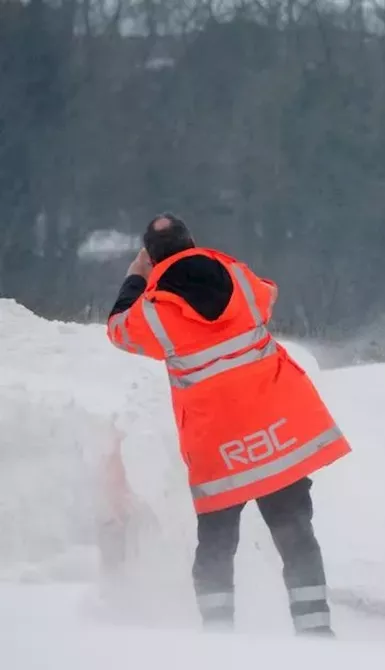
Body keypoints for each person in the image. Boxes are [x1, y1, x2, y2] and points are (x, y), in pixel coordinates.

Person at [106, 213, 351, 637]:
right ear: (193, 241)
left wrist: (135, 280)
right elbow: (268, 294)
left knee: (217, 545)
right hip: (276, 432)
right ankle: (316, 635)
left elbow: (118, 330)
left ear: (149, 257)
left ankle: (218, 639)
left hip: (218, 447)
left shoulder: (155, 314)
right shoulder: (236, 275)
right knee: (294, 532)